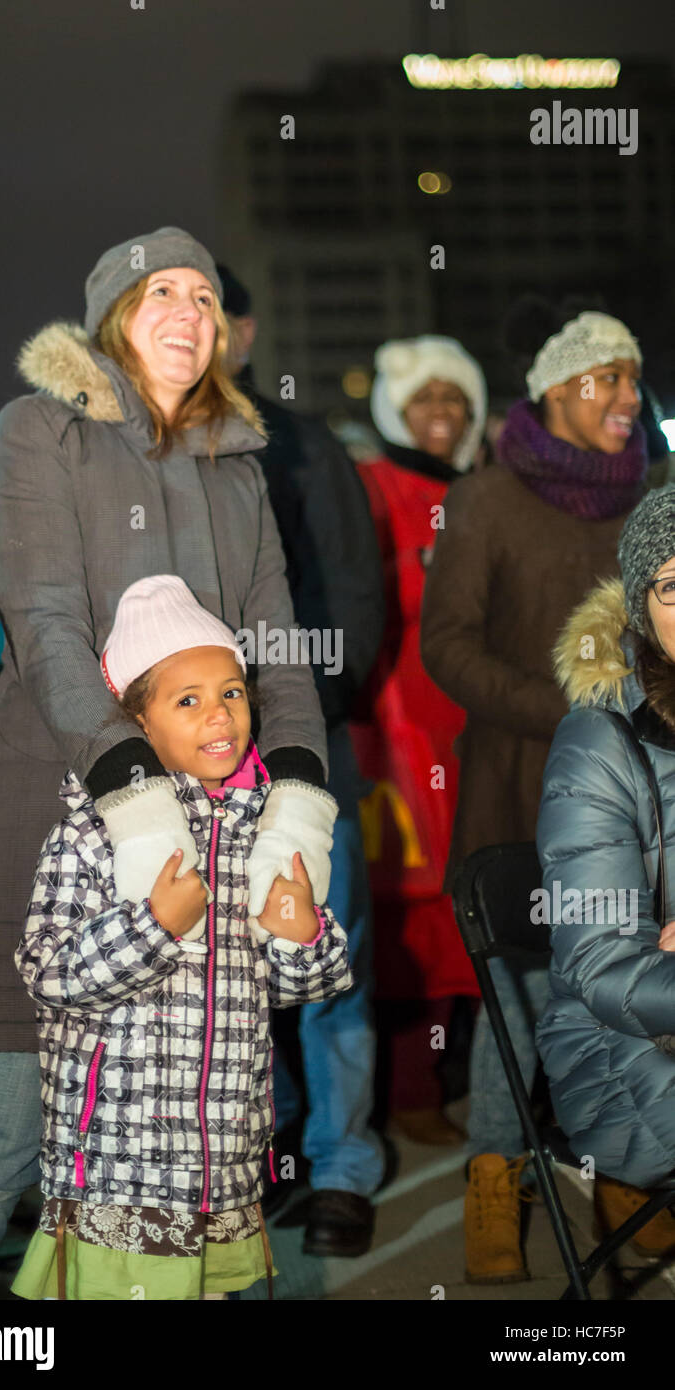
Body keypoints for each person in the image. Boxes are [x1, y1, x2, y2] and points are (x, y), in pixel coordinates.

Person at [0, 226, 335, 1300]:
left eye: (201, 294)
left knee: (178, 1134)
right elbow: (44, 620)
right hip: (54, 802)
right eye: (158, 295)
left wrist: (297, 801)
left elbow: (275, 644)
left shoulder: (241, 462)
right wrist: (135, 793)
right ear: (112, 320)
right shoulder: (40, 428)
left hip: (215, 830)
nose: (186, 311)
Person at [11, 576, 351, 1301]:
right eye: (187, 701)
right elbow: (47, 972)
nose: (220, 716)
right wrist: (150, 928)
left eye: (231, 692)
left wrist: (302, 938)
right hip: (116, 1159)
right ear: (137, 721)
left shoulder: (266, 829)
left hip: (223, 1156)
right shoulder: (92, 831)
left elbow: (299, 987)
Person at [421, 299, 660, 1283]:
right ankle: (493, 1171)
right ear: (556, 390)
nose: (625, 398)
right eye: (604, 379)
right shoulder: (485, 499)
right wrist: (563, 708)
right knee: (515, 997)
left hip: (643, 791)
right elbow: (446, 646)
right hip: (519, 783)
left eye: (633, 379)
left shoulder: (660, 487)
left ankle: (621, 1166)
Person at [217, 264, 385, 1256]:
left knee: (332, 963)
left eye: (213, 309)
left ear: (242, 330)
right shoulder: (134, 449)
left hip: (296, 742)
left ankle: (342, 1166)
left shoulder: (304, 443)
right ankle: (268, 1145)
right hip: (186, 755)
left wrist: (295, 715)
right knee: (220, 966)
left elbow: (354, 603)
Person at [350, 336, 486, 1146]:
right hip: (400, 734)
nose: (441, 413)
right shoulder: (371, 486)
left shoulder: (483, 490)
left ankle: (473, 1069)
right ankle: (409, 1089)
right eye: (424, 397)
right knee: (413, 910)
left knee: (479, 902)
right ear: (396, 409)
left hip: (478, 730)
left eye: (455, 398)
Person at [537, 486, 675, 1250]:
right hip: (619, 1049)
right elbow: (601, 967)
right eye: (673, 585)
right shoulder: (600, 743)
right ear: (639, 608)